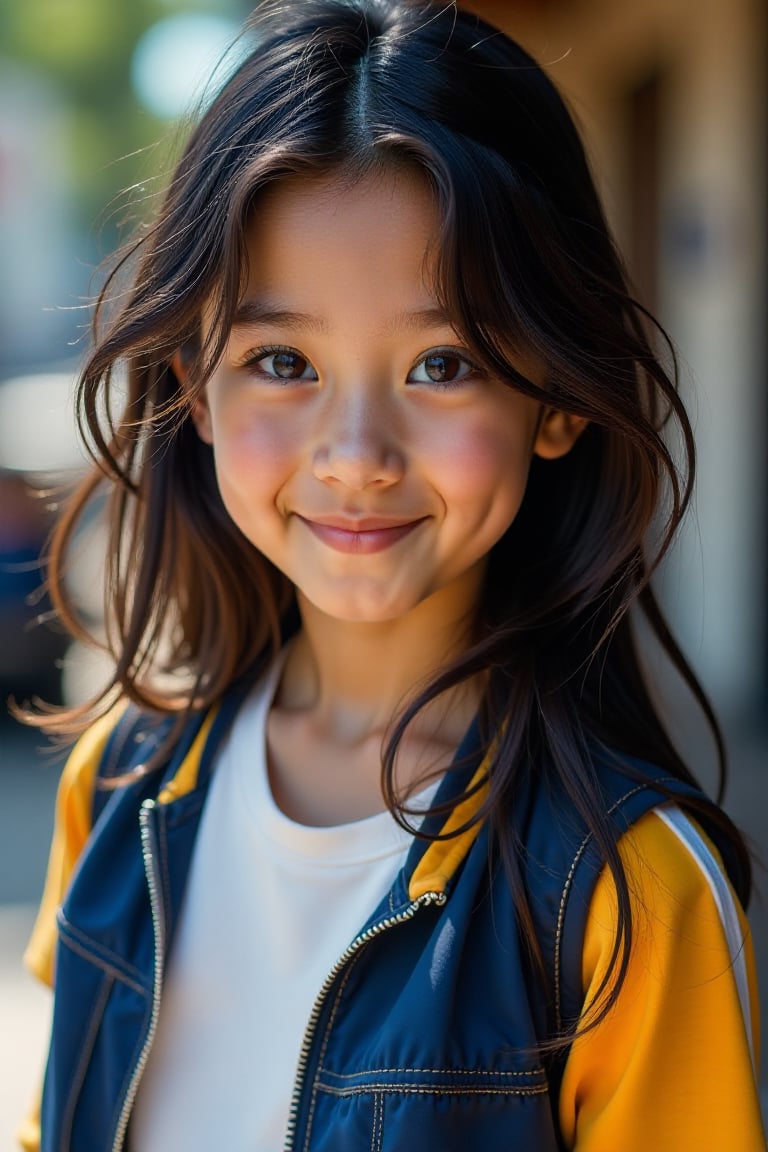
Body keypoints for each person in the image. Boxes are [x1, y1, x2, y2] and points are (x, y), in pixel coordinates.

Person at [18, 2, 764, 1149]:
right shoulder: (118, 792)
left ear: (557, 397)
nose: (358, 455)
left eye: (442, 362)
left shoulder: (624, 896)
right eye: (282, 361)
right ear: (193, 385)